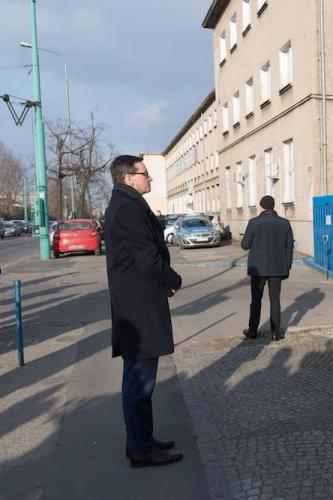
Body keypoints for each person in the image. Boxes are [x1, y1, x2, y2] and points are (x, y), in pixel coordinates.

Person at [104, 155, 183, 468]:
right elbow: (147, 256)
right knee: (140, 382)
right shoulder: (126, 208)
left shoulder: (127, 204)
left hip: (137, 302)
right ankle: (140, 448)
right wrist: (173, 279)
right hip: (138, 307)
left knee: (137, 381)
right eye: (145, 173)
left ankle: (141, 440)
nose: (150, 178)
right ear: (128, 178)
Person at [241, 195, 294, 341]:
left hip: (258, 268)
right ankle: (276, 333)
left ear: (262, 206)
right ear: (273, 206)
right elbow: (289, 247)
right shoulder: (284, 223)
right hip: (277, 268)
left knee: (256, 300)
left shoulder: (254, 222)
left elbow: (245, 245)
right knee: (275, 300)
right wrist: (287, 267)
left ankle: (252, 331)